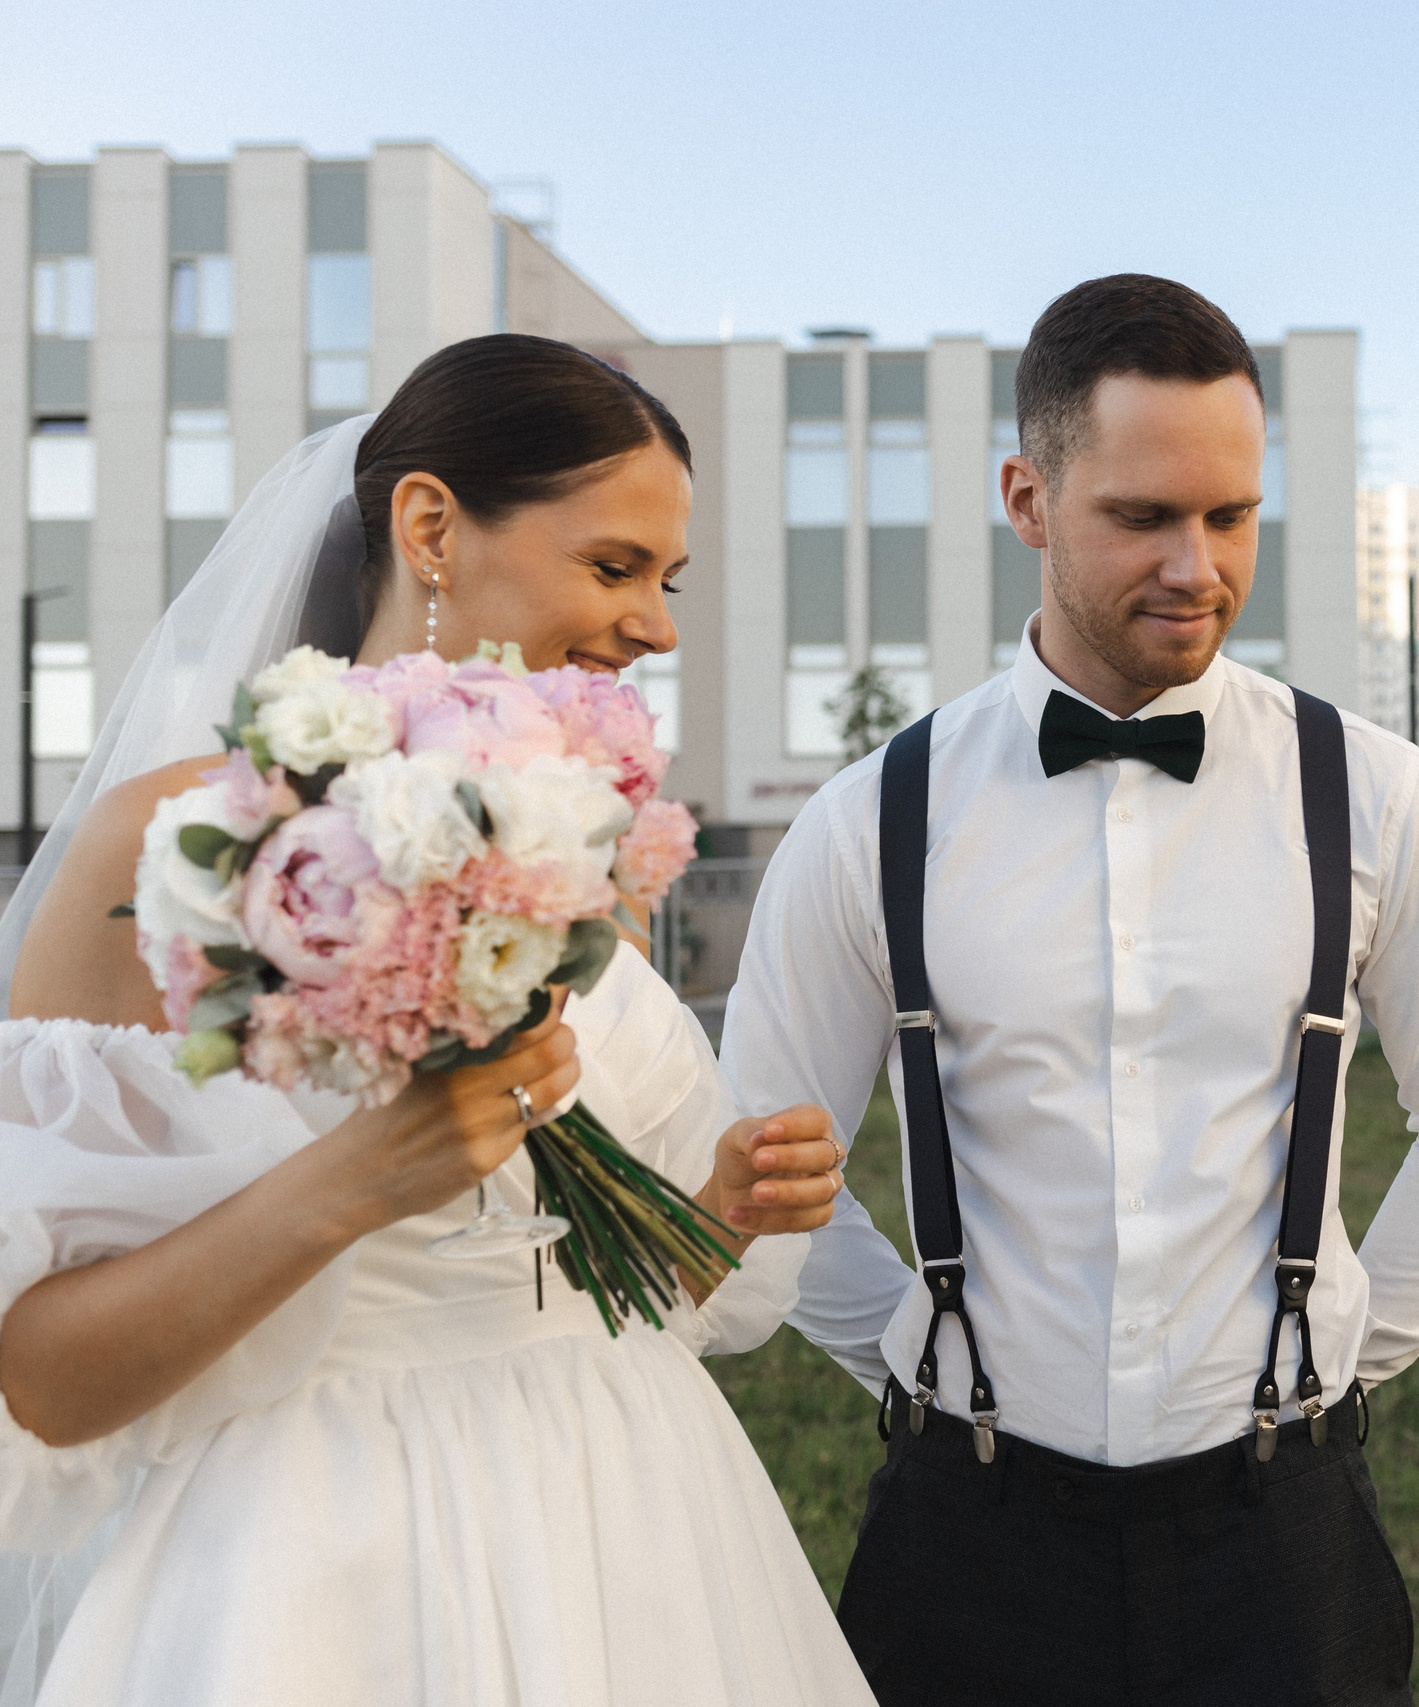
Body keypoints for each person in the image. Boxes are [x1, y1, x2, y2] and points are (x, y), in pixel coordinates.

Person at [0, 336, 872, 1705]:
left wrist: (716, 1210)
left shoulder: (586, 851)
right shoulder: (174, 849)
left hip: (635, 1529)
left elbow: (590, 1291)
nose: (658, 626)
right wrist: (348, 1184)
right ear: (430, 528)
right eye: (615, 566)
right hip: (323, 1569)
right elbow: (41, 1382)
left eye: (668, 579)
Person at [720, 274, 1419, 1707]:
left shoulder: (1383, 797)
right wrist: (926, 1365)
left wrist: (1335, 1358)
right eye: (1145, 517)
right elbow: (774, 1163)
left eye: (1231, 516)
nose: (1199, 564)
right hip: (965, 1539)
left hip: (1284, 1537)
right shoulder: (870, 819)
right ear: (1028, 500)